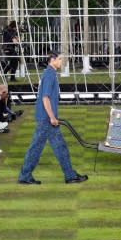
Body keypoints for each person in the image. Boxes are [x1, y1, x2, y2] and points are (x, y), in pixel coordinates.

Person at [18, 52, 87, 185]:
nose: (61, 62)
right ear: (53, 60)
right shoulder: (49, 75)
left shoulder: (49, 74)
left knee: (58, 147)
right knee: (38, 148)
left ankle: (69, 175)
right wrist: (52, 117)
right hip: (46, 119)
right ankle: (25, 176)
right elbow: (45, 98)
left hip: (45, 118)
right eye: (60, 59)